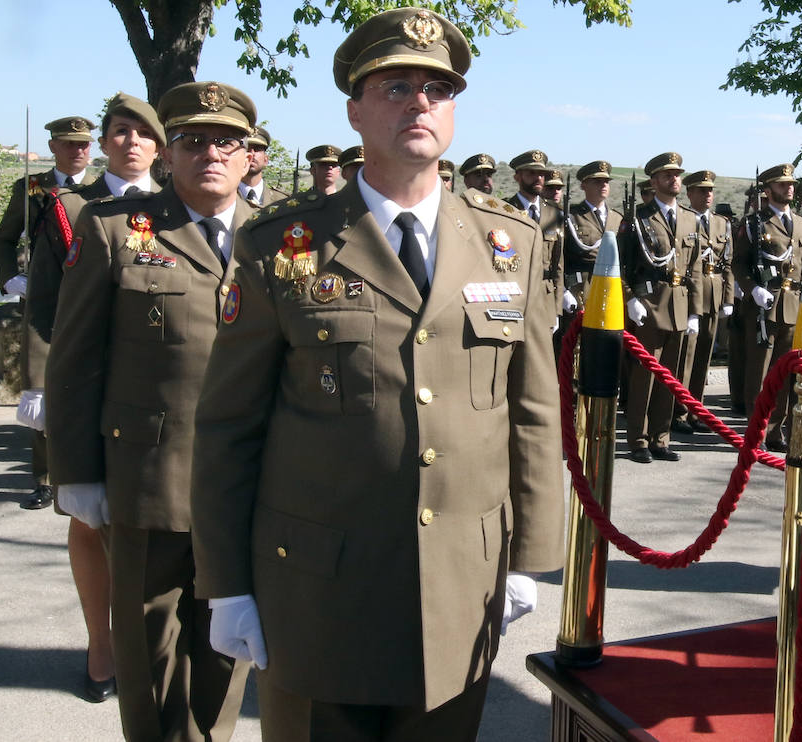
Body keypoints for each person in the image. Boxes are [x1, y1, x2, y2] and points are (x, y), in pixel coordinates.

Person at [190, 8, 565, 741]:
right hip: (319, 591)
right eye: (396, 87)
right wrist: (227, 586)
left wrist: (530, 557)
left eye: (438, 88)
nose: (420, 103)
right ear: (355, 108)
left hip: (460, 584)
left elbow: (532, 410)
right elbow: (229, 426)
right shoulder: (280, 246)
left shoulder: (508, 245)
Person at [45, 81, 255, 741]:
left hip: (253, 490)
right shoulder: (114, 230)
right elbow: (74, 359)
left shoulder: (284, 238)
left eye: (228, 142)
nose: (211, 154)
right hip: (149, 486)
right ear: (168, 154)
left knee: (230, 664)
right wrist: (75, 474)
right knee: (153, 673)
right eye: (193, 141)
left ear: (251, 155)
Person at [17, 92, 164, 704]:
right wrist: (53, 381)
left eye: (142, 133)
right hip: (90, 387)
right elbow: (48, 305)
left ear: (159, 146)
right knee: (88, 520)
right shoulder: (67, 207)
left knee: (160, 527)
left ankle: (154, 646)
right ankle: (100, 648)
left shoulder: (178, 207)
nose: (130, 142)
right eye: (119, 132)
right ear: (104, 143)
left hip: (161, 392)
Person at [0, 115, 97, 510]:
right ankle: (44, 478)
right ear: (52, 147)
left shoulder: (103, 190)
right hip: (46, 299)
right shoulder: (33, 189)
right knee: (43, 388)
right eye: (69, 144)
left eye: (84, 144)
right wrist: (10, 279)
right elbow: (4, 239)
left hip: (90, 296)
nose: (77, 151)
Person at [619, 152, 702, 463]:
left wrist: (694, 310)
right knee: (645, 376)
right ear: (653, 181)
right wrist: (630, 299)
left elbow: (693, 268)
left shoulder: (689, 218)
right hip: (650, 304)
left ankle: (660, 438)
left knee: (671, 377)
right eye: (667, 175)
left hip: (679, 305)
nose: (675, 179)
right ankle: (638, 440)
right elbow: (622, 266)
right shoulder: (638, 218)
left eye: (677, 174)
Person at [731, 163, 802, 452]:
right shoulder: (754, 224)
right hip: (764, 307)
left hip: (794, 306)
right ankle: (757, 432)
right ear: (768, 190)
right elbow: (738, 263)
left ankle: (777, 431)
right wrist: (753, 289)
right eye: (781, 184)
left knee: (787, 373)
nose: (788, 187)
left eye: (790, 183)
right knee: (760, 373)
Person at [673, 169, 733, 433]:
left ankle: (696, 410)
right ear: (689, 193)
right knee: (685, 356)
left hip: (713, 292)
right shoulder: (683, 219)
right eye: (701, 190)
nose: (708, 195)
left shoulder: (722, 223)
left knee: (704, 357)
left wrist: (728, 297)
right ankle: (678, 411)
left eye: (710, 190)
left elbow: (728, 263)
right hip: (688, 293)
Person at [506, 149, 564, 326]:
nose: (538, 178)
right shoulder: (505, 210)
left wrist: (556, 307)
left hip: (544, 296)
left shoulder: (554, 213)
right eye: (531, 173)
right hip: (515, 294)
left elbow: (558, 264)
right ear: (517, 177)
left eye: (541, 174)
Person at [563, 160, 623, 310]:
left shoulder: (617, 218)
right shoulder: (572, 216)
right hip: (581, 288)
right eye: (597, 181)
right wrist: (565, 289)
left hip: (611, 287)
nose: (603, 185)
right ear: (584, 185)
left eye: (606, 182)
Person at [239, 125, 288, 207]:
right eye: (247, 148)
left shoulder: (282, 201)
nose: (252, 153)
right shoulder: (222, 198)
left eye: (257, 149)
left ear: (266, 160)